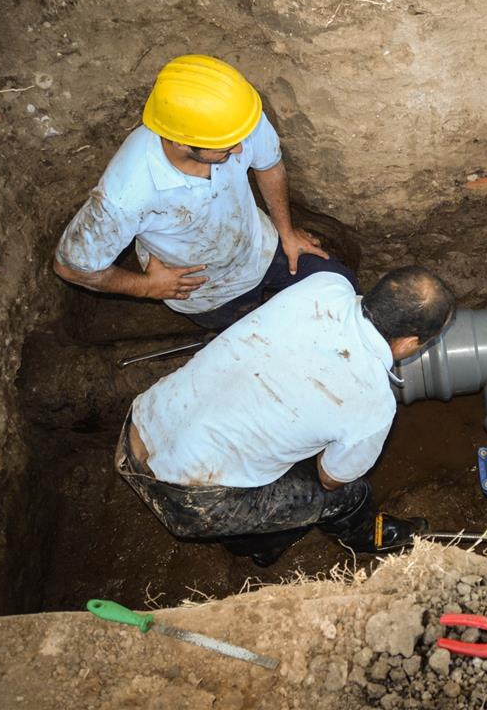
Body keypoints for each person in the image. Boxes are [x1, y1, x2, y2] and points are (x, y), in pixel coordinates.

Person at [114, 266, 456, 567]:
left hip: (141, 423)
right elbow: (329, 480)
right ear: (410, 343)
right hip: (189, 500)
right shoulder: (374, 406)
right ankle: (283, 542)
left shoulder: (326, 284)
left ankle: (254, 533)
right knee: (350, 496)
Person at [54, 53, 355, 331]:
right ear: (182, 142)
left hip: (261, 246)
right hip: (206, 291)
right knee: (264, 336)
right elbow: (71, 267)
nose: (240, 149)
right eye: (227, 147)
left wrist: (286, 232)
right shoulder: (124, 197)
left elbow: (269, 165)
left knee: (341, 285)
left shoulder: (231, 122)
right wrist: (147, 287)